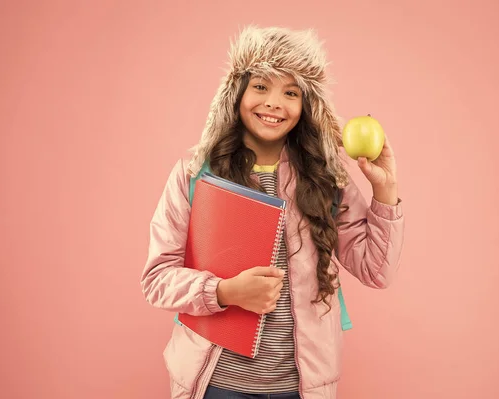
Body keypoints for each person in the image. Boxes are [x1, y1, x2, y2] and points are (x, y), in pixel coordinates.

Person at [141, 25, 405, 399]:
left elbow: (377, 270)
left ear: (306, 104)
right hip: (216, 384)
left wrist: (385, 188)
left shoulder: (326, 179)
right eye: (261, 86)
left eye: (291, 92)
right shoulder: (195, 173)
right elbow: (157, 278)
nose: (274, 103)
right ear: (236, 94)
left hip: (299, 388)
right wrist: (225, 291)